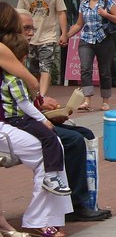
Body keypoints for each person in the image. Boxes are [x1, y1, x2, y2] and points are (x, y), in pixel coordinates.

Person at [17, 9, 111, 223]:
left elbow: (26, 98)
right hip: (17, 123)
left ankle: (83, 199)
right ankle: (75, 204)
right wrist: (42, 110)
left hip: (28, 117)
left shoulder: (20, 55)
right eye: (26, 28)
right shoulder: (10, 58)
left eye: (32, 28)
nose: (31, 33)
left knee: (85, 133)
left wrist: (48, 111)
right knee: (73, 140)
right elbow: (19, 100)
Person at [0, 3, 72, 237]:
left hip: (6, 120)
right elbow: (30, 81)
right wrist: (39, 99)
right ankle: (40, 219)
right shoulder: (2, 48)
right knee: (46, 149)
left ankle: (48, 218)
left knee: (54, 146)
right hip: (4, 121)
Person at [0, 32, 73, 197]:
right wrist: (42, 119)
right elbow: (24, 103)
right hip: (19, 119)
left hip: (16, 119)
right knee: (50, 137)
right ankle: (51, 176)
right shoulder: (15, 79)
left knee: (52, 136)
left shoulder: (7, 78)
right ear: (24, 57)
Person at [66, 0, 116, 112]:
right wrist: (66, 36)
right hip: (86, 39)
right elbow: (79, 24)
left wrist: (106, 14)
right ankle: (87, 100)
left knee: (104, 71)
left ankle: (105, 101)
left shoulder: (108, 3)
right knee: (85, 69)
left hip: (103, 39)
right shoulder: (83, 3)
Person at [16, 0, 68, 98]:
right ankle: (35, 95)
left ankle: (42, 97)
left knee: (46, 68)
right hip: (30, 38)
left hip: (48, 37)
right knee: (33, 70)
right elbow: (18, 15)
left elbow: (61, 13)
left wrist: (64, 33)